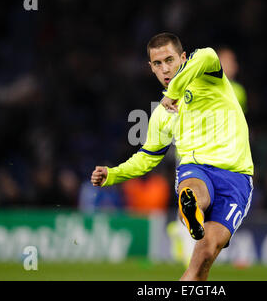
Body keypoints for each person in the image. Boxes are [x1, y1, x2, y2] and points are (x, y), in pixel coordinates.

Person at [91, 32, 254, 281]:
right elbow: (147, 157)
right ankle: (191, 210)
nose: (165, 69)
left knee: (205, 256)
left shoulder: (208, 76)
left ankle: (192, 219)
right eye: (158, 64)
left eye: (170, 60)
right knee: (193, 189)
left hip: (236, 177)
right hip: (197, 169)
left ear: (183, 58)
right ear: (151, 68)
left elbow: (209, 55)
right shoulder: (162, 114)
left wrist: (175, 91)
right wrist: (112, 175)